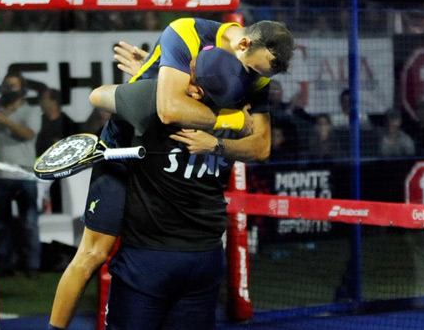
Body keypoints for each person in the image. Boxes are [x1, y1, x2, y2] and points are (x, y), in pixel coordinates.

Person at [48, 18, 294, 330]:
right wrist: (229, 121)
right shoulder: (185, 34)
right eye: (253, 72)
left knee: (97, 255)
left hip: (167, 169)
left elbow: (260, 147)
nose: (254, 81)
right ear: (241, 46)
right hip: (122, 150)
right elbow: (168, 108)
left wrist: (214, 138)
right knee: (93, 254)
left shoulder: (252, 77)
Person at [0, 88, 42, 279]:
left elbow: (28, 134)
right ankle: (4, 265)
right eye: (7, 85)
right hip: (0, 173)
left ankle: (32, 265)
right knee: (1, 223)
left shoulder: (31, 111)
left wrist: (4, 121)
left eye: (13, 85)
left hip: (24, 173)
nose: (10, 89)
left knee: (29, 221)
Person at [35, 87, 79, 213]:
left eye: (44, 99)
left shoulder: (68, 124)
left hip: (63, 174)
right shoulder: (38, 123)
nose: (40, 102)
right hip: (40, 172)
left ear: (54, 102)